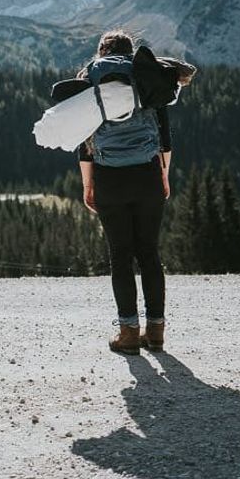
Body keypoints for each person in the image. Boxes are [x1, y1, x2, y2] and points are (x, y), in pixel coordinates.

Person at [78, 31, 175, 355]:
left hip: (109, 177)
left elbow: (84, 143)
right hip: (147, 173)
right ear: (130, 52)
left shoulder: (90, 77)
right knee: (149, 252)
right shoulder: (146, 75)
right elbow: (165, 135)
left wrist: (88, 185)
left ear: (101, 53)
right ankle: (157, 332)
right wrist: (163, 175)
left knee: (120, 256)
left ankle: (129, 334)